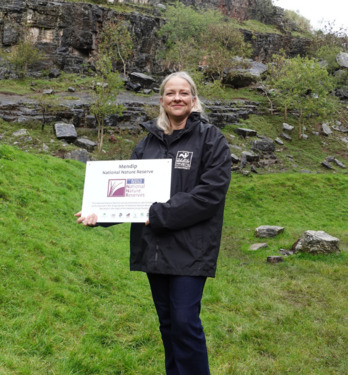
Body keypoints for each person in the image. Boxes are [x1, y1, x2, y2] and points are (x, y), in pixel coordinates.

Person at [75, 71, 231, 374]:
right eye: (171, 93)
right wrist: (99, 214)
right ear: (162, 100)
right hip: (155, 249)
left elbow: (210, 194)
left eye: (183, 93)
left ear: (194, 99)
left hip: (191, 248)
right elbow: (127, 194)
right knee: (169, 325)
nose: (177, 98)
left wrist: (160, 214)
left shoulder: (211, 139)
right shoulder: (148, 143)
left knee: (185, 323)